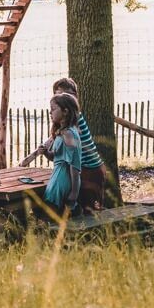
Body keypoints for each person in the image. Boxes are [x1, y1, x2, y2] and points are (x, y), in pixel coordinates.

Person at [51, 77, 105, 212]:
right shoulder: (65, 121)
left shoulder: (74, 119)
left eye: (69, 94)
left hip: (90, 168)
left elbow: (71, 148)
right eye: (60, 94)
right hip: (83, 168)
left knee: (90, 208)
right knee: (82, 205)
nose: (65, 97)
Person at [39, 93, 85, 216]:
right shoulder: (64, 132)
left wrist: (74, 192)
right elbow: (57, 158)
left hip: (61, 181)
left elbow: (74, 164)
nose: (50, 112)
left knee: (49, 217)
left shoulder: (68, 134)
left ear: (65, 111)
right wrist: (46, 153)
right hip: (58, 178)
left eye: (53, 109)